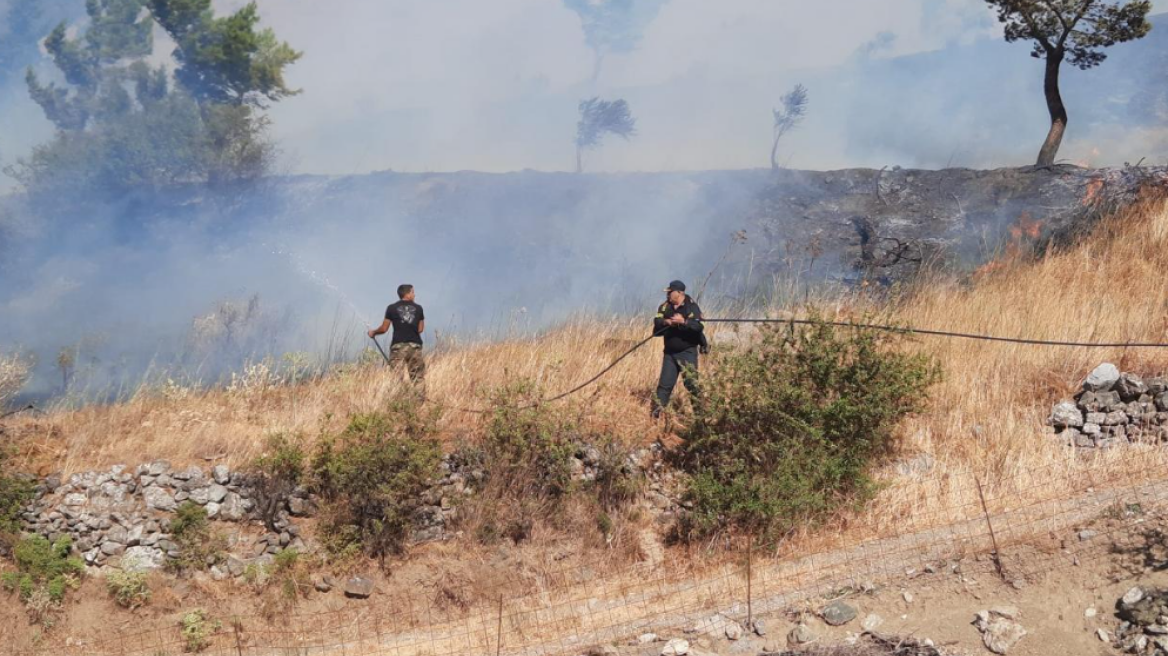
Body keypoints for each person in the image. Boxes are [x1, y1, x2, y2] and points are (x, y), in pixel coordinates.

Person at [652, 280, 704, 417]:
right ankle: (655, 418)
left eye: (671, 292)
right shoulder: (664, 307)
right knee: (664, 386)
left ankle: (701, 418)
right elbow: (657, 321)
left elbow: (698, 327)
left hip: (687, 352)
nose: (668, 294)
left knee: (691, 384)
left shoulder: (691, 307)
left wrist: (683, 322)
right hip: (669, 353)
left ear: (680, 293)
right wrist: (666, 321)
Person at [368, 284, 426, 384]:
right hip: (415, 346)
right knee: (417, 378)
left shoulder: (391, 308)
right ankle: (419, 399)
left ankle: (398, 398)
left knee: (396, 378)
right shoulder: (419, 308)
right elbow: (420, 329)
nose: (414, 294)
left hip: (398, 347)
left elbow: (384, 328)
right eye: (412, 292)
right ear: (407, 294)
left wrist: (373, 332)